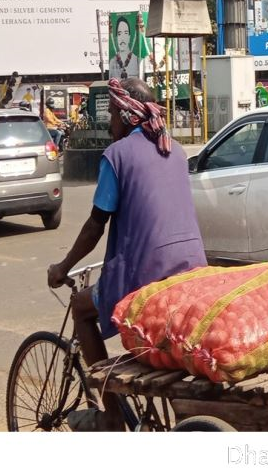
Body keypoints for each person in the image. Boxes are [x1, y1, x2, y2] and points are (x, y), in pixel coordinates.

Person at [47, 78, 207, 431]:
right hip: (192, 268)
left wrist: (63, 267)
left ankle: (112, 414)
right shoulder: (175, 150)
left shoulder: (117, 155)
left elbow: (95, 226)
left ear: (125, 115)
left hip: (146, 275)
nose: (109, 124)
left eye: (112, 115)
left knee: (81, 308)